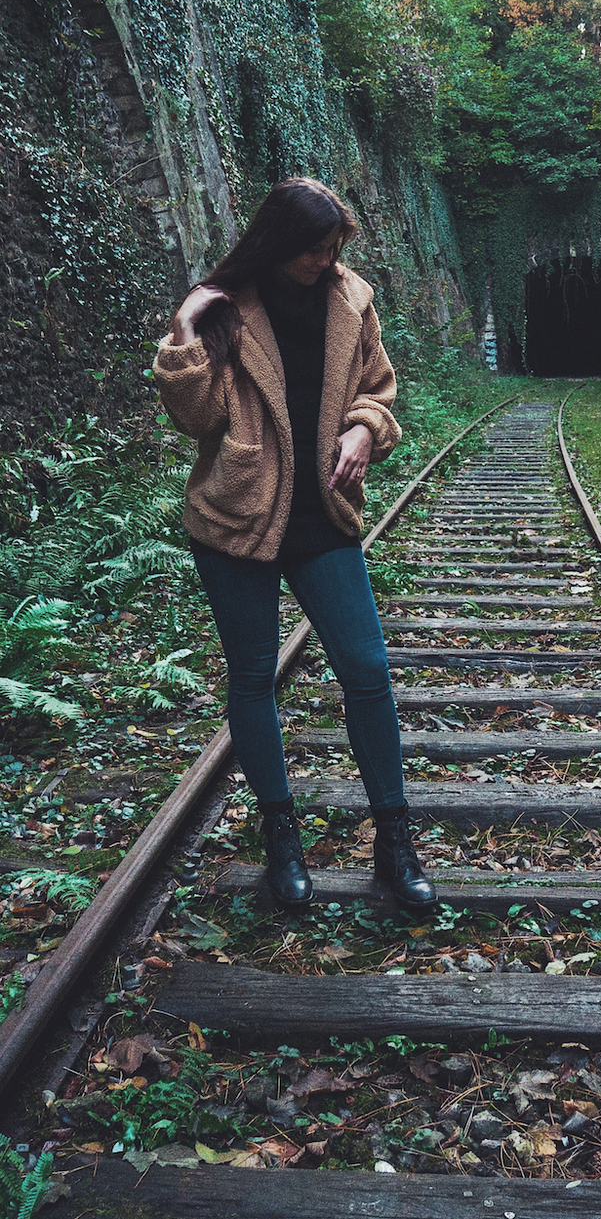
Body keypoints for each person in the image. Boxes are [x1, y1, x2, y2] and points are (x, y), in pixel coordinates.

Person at [154, 176, 436, 913]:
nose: (327, 261)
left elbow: (379, 385)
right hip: (237, 518)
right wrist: (187, 324)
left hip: (321, 516)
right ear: (281, 245)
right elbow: (197, 417)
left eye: (336, 247)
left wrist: (364, 427)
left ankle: (394, 842)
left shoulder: (352, 299)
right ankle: (282, 840)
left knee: (368, 671)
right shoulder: (228, 308)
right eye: (315, 250)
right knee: (253, 678)